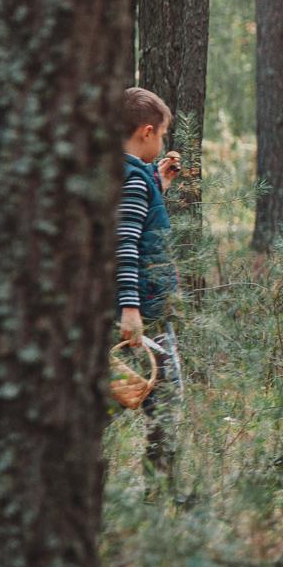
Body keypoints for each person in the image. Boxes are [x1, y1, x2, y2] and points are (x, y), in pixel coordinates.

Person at [118, 86, 184, 475]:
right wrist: (130, 309)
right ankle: (163, 490)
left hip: (145, 310)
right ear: (146, 131)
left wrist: (158, 183)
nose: (162, 142)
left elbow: (133, 219)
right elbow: (124, 245)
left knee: (126, 394)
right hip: (143, 314)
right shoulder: (132, 180)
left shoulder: (132, 176)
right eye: (160, 134)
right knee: (166, 403)